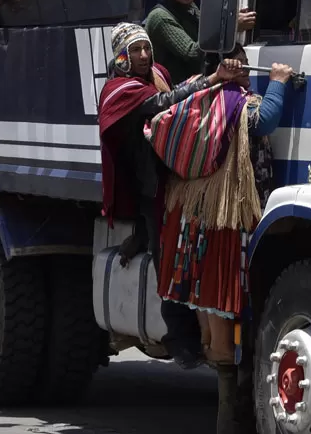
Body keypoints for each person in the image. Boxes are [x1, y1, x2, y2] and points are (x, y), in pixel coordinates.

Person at [157, 49, 292, 432]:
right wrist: (278, 83)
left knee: (209, 305)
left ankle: (227, 404)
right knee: (225, 305)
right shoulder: (235, 102)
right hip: (227, 221)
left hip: (193, 216)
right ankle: (229, 418)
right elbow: (264, 121)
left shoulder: (192, 93)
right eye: (243, 64)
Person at [96, 23, 242, 366]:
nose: (145, 56)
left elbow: (177, 92)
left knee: (188, 254)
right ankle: (181, 342)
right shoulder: (120, 90)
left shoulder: (157, 73)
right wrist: (209, 82)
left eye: (147, 49)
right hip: (152, 186)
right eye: (136, 51)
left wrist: (205, 80)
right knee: (168, 262)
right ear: (121, 56)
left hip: (177, 181)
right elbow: (162, 104)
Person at [144, 0, 256, 84]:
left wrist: (230, 19)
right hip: (175, 93)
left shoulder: (189, 7)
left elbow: (206, 32)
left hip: (197, 86)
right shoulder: (160, 17)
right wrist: (230, 27)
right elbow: (192, 53)